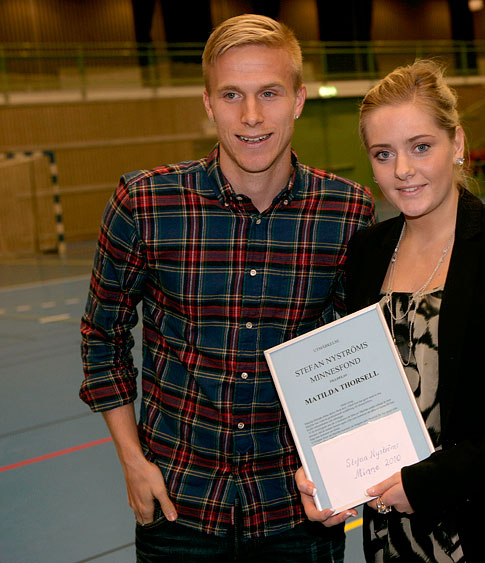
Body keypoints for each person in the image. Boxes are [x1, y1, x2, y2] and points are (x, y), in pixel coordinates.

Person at [79, 14, 374, 562]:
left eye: (270, 93)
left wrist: (347, 465)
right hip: (178, 504)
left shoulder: (347, 211)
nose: (252, 115)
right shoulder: (145, 203)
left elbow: (362, 350)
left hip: (297, 509)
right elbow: (102, 336)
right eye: (232, 94)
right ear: (209, 103)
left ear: (300, 99)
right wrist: (131, 460)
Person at [296, 60, 485, 561]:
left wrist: (428, 482)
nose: (402, 169)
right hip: (399, 536)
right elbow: (355, 393)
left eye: (421, 146)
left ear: (457, 144)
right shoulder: (366, 254)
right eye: (383, 153)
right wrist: (327, 474)